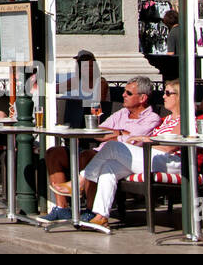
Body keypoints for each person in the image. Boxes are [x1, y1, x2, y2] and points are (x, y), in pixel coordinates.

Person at [41, 75, 162, 221]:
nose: (123, 95)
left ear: (142, 98)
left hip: (120, 158)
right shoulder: (122, 113)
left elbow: (131, 142)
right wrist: (120, 132)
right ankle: (62, 208)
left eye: (128, 93)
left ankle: (91, 210)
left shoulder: (151, 118)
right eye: (124, 91)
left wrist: (114, 135)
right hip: (99, 150)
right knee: (54, 153)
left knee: (88, 156)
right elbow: (99, 133)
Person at [78, 79, 184, 227]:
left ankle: (81, 180)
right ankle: (101, 216)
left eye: (168, 93)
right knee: (109, 167)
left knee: (113, 146)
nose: (163, 97)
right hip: (152, 156)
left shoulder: (184, 120)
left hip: (171, 162)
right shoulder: (166, 120)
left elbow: (169, 147)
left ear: (180, 96)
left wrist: (145, 139)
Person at [55, 50, 108, 126]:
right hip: (74, 118)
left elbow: (100, 105)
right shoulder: (76, 80)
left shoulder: (101, 83)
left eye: (91, 66)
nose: (89, 69)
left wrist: (76, 104)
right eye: (85, 66)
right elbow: (53, 89)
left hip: (94, 120)